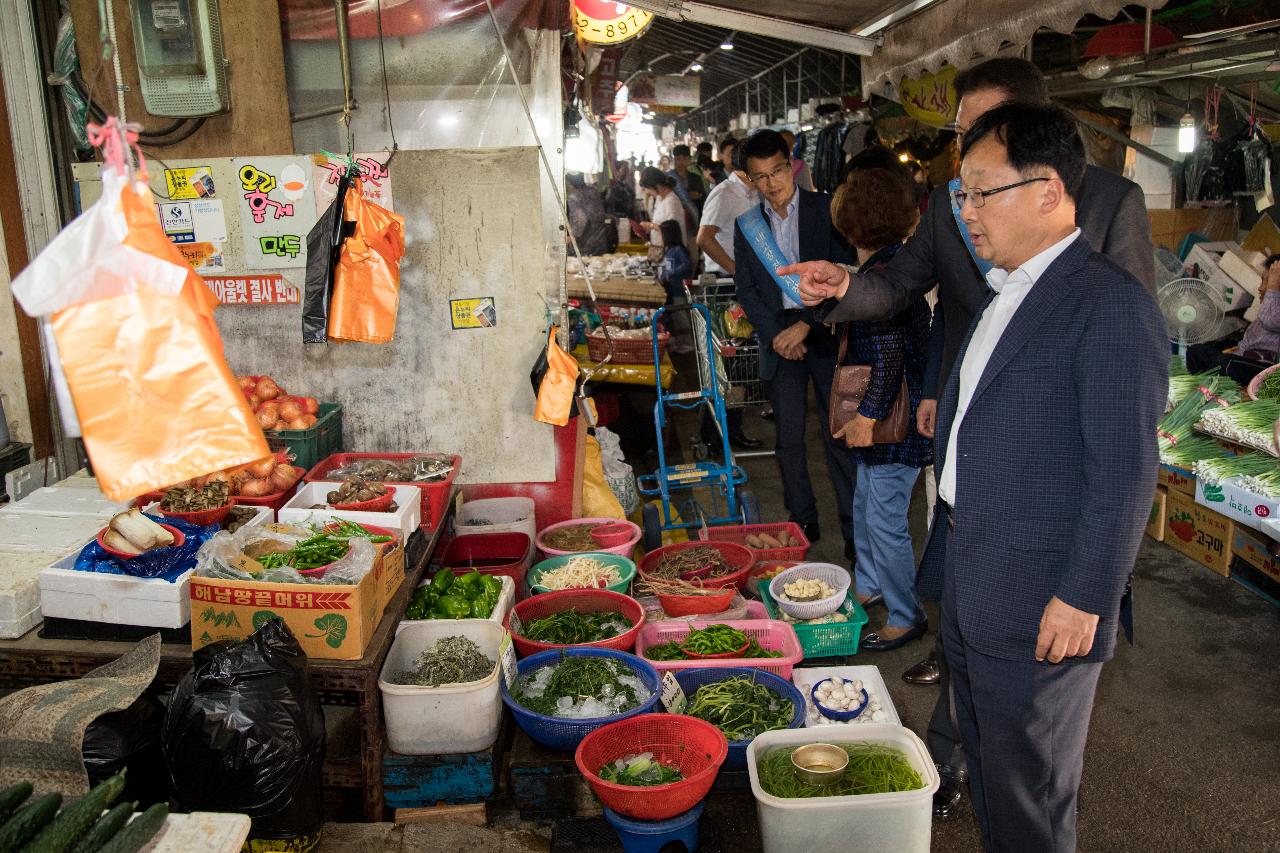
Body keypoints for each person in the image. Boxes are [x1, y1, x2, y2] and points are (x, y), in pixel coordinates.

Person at [780, 55, 1157, 822]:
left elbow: (1122, 461)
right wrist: (849, 288)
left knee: (1029, 784)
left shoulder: (1105, 275)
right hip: (976, 538)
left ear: (1044, 180)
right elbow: (911, 296)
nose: (964, 208)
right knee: (990, 753)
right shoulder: (999, 269)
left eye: (980, 187)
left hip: (1040, 557)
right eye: (961, 188)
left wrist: (1086, 591)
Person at [733, 129, 856, 554]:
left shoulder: (826, 209)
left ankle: (852, 525)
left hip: (823, 330)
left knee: (837, 433)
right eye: (760, 177)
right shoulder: (748, 226)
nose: (772, 184)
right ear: (750, 180)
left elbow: (846, 272)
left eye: (778, 171)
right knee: (788, 437)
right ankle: (803, 519)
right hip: (780, 339)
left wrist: (807, 324)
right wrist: (777, 335)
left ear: (792, 166)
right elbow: (747, 288)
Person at [830, 168, 932, 649]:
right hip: (894, 413)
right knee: (867, 504)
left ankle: (906, 614)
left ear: (848, 225)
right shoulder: (895, 265)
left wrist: (867, 418)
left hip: (893, 419)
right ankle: (870, 585)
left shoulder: (882, 278)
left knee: (886, 519)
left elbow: (889, 356)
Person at [695, 141, 764, 451]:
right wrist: (736, 271)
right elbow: (704, 238)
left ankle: (727, 432)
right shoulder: (724, 193)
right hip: (726, 287)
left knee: (741, 365)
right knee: (725, 363)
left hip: (746, 286)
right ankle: (713, 434)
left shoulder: (754, 193)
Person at [1186, 253, 1280, 383]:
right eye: (1262, 280)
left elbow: (1270, 320)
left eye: (1267, 282)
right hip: (1245, 361)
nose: (1261, 287)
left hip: (1265, 370)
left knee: (1225, 363)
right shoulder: (1268, 308)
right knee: (1196, 351)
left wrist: (1273, 289)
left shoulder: (1271, 312)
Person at [638, 166, 685, 255]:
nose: (647, 192)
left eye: (647, 188)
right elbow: (659, 224)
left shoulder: (671, 202)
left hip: (671, 254)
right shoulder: (659, 199)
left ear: (656, 185)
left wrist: (650, 225)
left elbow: (670, 231)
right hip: (660, 251)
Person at [566, 173, 612, 256]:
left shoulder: (574, 197)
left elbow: (581, 220)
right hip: (600, 242)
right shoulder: (594, 191)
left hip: (583, 247)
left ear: (569, 183)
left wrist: (571, 238)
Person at [667, 144, 707, 222]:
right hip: (675, 216)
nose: (681, 162)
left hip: (694, 217)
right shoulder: (668, 178)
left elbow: (703, 198)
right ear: (674, 160)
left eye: (684, 158)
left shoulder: (696, 177)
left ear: (689, 160)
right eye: (678, 159)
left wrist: (698, 196)